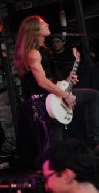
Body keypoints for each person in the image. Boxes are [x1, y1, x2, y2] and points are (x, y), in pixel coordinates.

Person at [14, 15, 99, 150]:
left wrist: (66, 81)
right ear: (34, 30)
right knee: (55, 139)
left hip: (52, 95)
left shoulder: (44, 50)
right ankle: (93, 141)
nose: (47, 24)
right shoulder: (33, 53)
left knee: (55, 139)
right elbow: (41, 82)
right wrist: (66, 95)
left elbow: (49, 79)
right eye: (43, 23)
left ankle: (94, 139)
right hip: (44, 99)